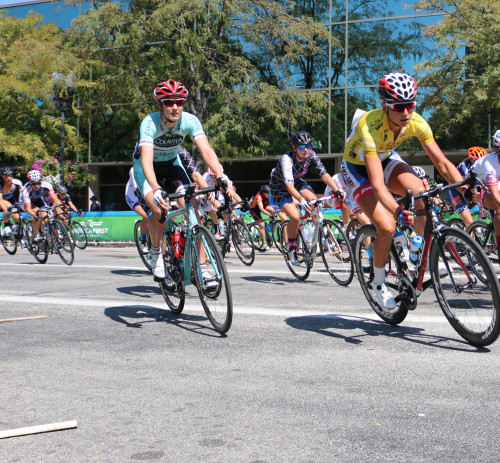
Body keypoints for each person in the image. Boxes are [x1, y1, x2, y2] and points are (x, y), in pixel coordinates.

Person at [340, 72, 468, 309]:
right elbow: (377, 184)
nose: (406, 113)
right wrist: (398, 211)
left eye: (410, 105)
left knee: (420, 191)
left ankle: (415, 251)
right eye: (399, 107)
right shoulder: (370, 125)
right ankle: (378, 282)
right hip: (357, 169)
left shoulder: (416, 122)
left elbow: (441, 163)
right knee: (387, 226)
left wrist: (465, 188)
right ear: (385, 106)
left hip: (386, 158)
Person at [133, 78, 229, 281]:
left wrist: (220, 176)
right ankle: (156, 252)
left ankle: (202, 269)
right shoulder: (149, 123)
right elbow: (147, 160)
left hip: (172, 164)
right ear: (160, 104)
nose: (175, 107)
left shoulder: (190, 120)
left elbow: (206, 150)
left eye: (180, 102)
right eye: (169, 102)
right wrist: (156, 188)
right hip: (146, 169)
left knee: (195, 212)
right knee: (158, 209)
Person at [270, 130, 343, 265]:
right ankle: (291, 248)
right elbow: (289, 187)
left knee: (315, 202)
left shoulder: (311, 155)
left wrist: (337, 190)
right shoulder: (287, 159)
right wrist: (301, 200)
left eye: (308, 146)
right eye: (302, 147)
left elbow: (324, 174)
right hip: (280, 187)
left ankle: (317, 238)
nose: (306, 150)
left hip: (297, 181)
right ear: (294, 148)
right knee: (295, 216)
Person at [471, 131, 500, 250]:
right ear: (495, 147)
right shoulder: (490, 163)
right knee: (499, 207)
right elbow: (494, 193)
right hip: (476, 186)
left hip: (494, 184)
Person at [444, 147, 487, 225]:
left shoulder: (481, 167)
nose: (481, 163)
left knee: (485, 192)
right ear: (472, 160)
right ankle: (469, 230)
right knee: (469, 222)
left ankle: (480, 221)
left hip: (469, 188)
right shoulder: (464, 167)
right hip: (455, 190)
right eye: (479, 161)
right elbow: (465, 186)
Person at [20, 170, 61, 242]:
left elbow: (55, 198)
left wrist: (59, 208)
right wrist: (35, 216)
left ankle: (47, 232)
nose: (36, 186)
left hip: (37, 199)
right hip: (26, 202)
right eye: (34, 184)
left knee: (47, 216)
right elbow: (28, 208)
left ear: (41, 181)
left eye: (38, 183)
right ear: (30, 183)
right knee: (36, 213)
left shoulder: (47, 185)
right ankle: (36, 235)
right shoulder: (26, 190)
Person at [125, 166, 150, 254]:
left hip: (146, 194)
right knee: (146, 216)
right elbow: (138, 189)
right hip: (133, 196)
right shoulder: (134, 169)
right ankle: (142, 240)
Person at [248, 184, 276, 251]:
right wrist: (269, 215)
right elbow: (261, 209)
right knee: (262, 225)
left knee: (272, 210)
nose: (268, 195)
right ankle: (264, 243)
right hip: (254, 209)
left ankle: (269, 226)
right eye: (267, 194)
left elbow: (270, 204)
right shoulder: (259, 196)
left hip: (263, 205)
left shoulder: (267, 195)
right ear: (263, 193)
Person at [0, 167, 23, 236]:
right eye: (6, 176)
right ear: (2, 177)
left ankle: (19, 236)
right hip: (2, 200)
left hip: (11, 199)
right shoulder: (0, 184)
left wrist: (21, 203)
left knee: (17, 217)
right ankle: (6, 225)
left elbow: (21, 194)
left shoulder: (17, 182)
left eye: (10, 175)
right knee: (7, 206)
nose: (9, 178)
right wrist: (5, 210)